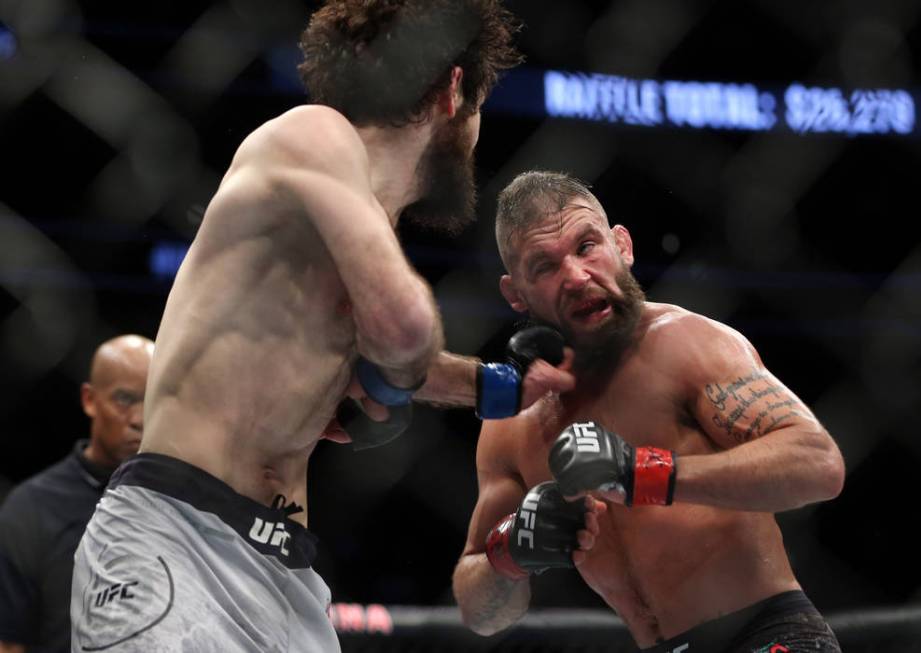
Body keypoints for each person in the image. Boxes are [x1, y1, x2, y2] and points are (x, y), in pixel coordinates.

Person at [69, 3, 575, 651]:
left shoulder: (352, 226)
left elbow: (402, 355)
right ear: (453, 91)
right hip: (178, 540)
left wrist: (505, 385)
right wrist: (390, 377)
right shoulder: (315, 134)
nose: (477, 135)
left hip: (285, 575)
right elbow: (405, 329)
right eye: (480, 107)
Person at [453, 171, 846, 652]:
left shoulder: (688, 345)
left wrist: (642, 474)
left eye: (586, 246)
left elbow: (819, 464)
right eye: (545, 267)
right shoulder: (512, 423)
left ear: (622, 246)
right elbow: (479, 609)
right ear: (517, 294)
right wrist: (510, 552)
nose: (577, 277)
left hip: (767, 634)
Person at [0, 335, 153, 653]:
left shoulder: (181, 501)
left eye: (151, 401)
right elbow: (9, 643)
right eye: (124, 399)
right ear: (89, 400)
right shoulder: (33, 508)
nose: (139, 419)